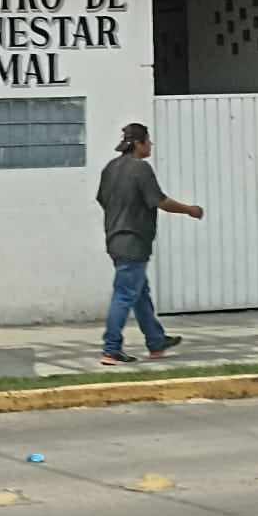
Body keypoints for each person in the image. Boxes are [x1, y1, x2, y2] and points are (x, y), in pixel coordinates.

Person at [95, 122, 205, 365]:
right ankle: (111, 349)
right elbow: (160, 201)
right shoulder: (140, 169)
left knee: (140, 292)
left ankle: (156, 341)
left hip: (115, 238)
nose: (150, 145)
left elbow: (102, 199)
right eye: (148, 141)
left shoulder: (109, 169)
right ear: (138, 143)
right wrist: (190, 210)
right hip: (133, 240)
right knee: (124, 294)